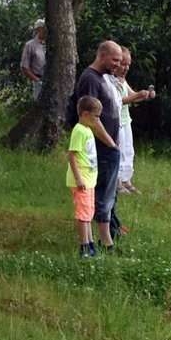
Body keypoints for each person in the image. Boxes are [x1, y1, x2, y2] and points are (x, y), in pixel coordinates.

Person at [67, 41, 123, 251]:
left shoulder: (103, 78)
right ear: (102, 55)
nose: (118, 64)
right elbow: (90, 116)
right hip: (101, 149)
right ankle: (104, 240)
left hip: (108, 147)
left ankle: (110, 233)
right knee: (103, 193)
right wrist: (110, 143)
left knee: (110, 192)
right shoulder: (90, 79)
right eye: (115, 60)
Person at [109, 45, 154, 196]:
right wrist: (136, 96)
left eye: (128, 64)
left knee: (129, 150)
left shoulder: (123, 80)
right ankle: (118, 182)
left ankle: (127, 180)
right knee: (120, 151)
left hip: (126, 120)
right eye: (123, 64)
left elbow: (132, 95)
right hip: (116, 122)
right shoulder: (110, 80)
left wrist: (145, 95)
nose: (126, 67)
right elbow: (119, 101)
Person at [67, 95, 108, 257]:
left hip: (89, 180)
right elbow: (71, 155)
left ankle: (90, 244)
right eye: (96, 116)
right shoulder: (78, 131)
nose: (98, 120)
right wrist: (78, 179)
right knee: (83, 214)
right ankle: (84, 247)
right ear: (84, 114)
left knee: (88, 212)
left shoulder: (87, 130)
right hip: (81, 181)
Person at [20, 20, 47, 98]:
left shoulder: (50, 44)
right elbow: (24, 66)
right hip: (39, 80)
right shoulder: (30, 45)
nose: (46, 31)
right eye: (44, 28)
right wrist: (37, 80)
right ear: (39, 29)